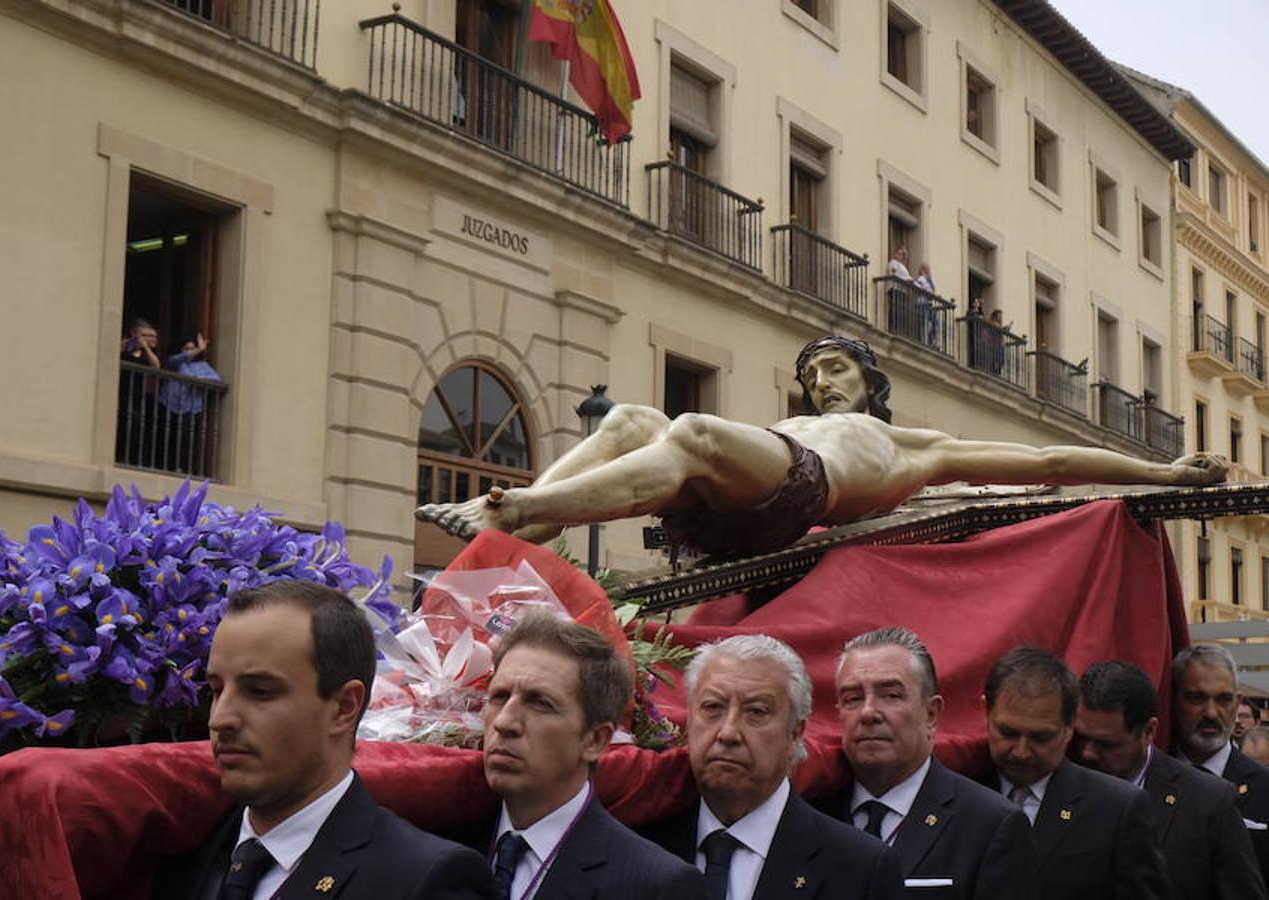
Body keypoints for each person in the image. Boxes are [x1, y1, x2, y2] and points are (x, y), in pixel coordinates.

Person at [416, 335, 1227, 558]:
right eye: (812, 373)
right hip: (740, 496)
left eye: (838, 369)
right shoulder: (793, 424)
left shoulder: (915, 442)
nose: (822, 383)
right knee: (629, 417)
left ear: (871, 382)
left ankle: (518, 506)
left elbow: (1048, 464)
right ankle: (530, 522)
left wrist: (1162, 471)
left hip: (803, 494)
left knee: (692, 430)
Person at [152, 580, 495, 900]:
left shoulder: (425, 879)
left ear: (344, 707)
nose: (220, 719)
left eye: (259, 692)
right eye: (216, 690)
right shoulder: (177, 849)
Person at [643, 635, 902, 899]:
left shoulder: (859, 867)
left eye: (756, 711)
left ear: (795, 734)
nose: (729, 732)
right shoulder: (642, 845)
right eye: (712, 707)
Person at [481, 612, 708, 899]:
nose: (504, 722)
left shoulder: (656, 886)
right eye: (499, 696)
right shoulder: (446, 839)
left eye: (540, 703)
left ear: (596, 740)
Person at [828, 627, 1034, 899]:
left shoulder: (990, 825)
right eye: (853, 698)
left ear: (931, 714)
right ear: (838, 714)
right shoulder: (813, 811)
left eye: (891, 695)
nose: (868, 712)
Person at [985, 647, 1170, 900]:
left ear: (1069, 727)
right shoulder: (956, 797)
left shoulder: (1117, 809)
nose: (1021, 752)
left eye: (1041, 737)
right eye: (1008, 733)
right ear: (986, 712)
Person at [1073, 660, 1265, 900]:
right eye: (1081, 738)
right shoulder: (1059, 784)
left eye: (1107, 744)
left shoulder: (1209, 802)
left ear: (1149, 732)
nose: (1087, 753)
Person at [1171, 643, 1269, 881]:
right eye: (1197, 698)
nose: (1211, 713)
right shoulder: (1147, 780)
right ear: (1173, 698)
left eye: (1223, 699)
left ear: (1237, 702)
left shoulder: (1265, 786)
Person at [159, 333, 222, 474]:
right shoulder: (176, 361)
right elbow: (174, 360)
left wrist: (199, 378)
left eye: (192, 348)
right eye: (186, 349)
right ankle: (164, 465)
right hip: (170, 403)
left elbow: (217, 379)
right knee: (168, 435)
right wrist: (199, 349)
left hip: (191, 407)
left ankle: (181, 467)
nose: (189, 351)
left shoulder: (202, 365)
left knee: (186, 438)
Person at [118, 317, 163, 467]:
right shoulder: (125, 345)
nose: (148, 339)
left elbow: (156, 366)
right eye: (144, 335)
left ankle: (134, 459)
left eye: (151, 336)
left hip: (139, 394)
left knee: (137, 427)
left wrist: (146, 348)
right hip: (123, 390)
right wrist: (125, 345)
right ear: (134, 333)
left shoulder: (146, 353)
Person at [913, 263, 938, 347]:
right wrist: (924, 289)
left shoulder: (929, 281)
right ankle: (924, 341)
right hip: (922, 303)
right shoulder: (921, 278)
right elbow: (917, 285)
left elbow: (933, 290)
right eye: (927, 269)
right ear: (923, 270)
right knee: (924, 322)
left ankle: (931, 340)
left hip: (929, 304)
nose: (928, 271)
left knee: (935, 321)